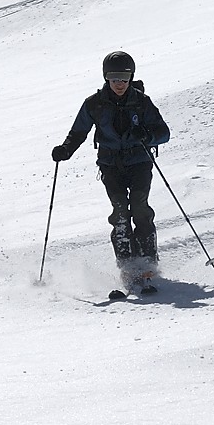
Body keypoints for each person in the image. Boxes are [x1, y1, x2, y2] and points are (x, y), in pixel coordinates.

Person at [52, 51, 171, 296]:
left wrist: (147, 136)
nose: (119, 83)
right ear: (106, 77)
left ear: (131, 77)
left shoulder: (142, 102)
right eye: (114, 77)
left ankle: (147, 262)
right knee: (119, 212)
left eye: (124, 77)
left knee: (139, 207)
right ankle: (127, 265)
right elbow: (79, 132)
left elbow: (164, 132)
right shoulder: (94, 104)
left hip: (139, 162)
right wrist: (65, 150)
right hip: (110, 165)